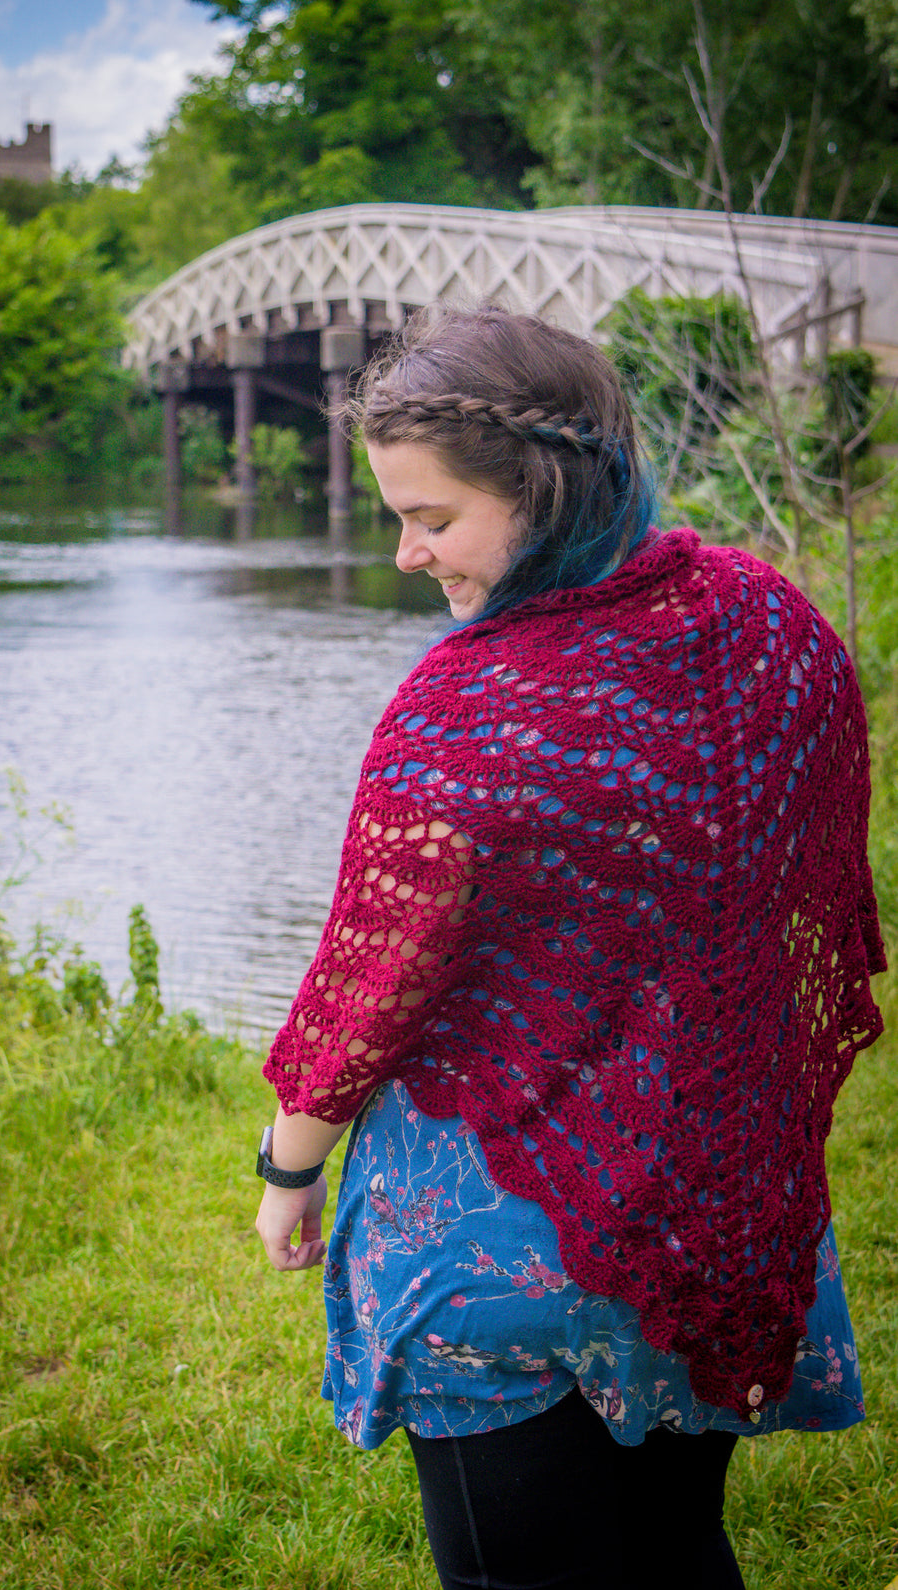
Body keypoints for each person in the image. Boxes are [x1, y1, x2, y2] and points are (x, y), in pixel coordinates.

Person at [254, 302, 886, 1589]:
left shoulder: (464, 703)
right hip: (710, 1203)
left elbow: (372, 979)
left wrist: (288, 1166)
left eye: (432, 518)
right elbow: (790, 880)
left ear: (543, 487)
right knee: (676, 1549)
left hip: (498, 1249)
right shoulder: (772, 622)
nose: (405, 552)